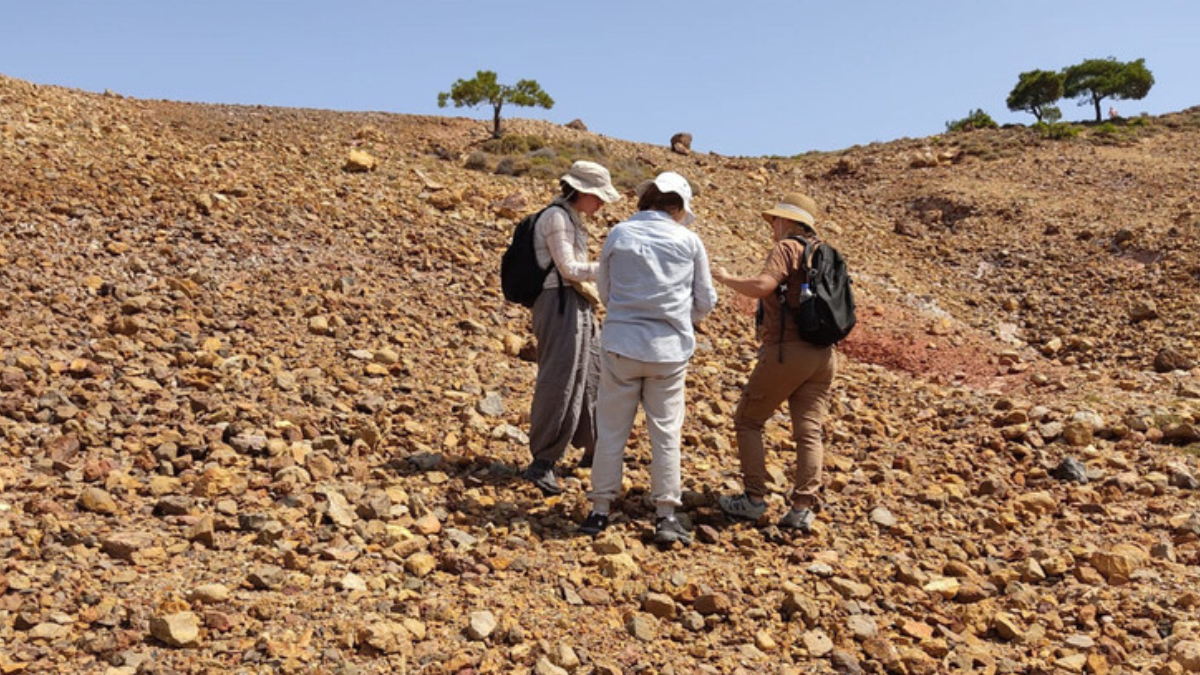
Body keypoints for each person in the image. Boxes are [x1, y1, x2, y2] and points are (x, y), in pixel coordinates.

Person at [579, 172, 718, 544]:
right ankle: (665, 514)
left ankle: (599, 509)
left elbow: (605, 289)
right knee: (666, 433)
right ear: (679, 207)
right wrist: (680, 319)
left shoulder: (620, 233)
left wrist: (627, 313)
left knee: (611, 430)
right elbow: (705, 299)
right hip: (668, 351)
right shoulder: (689, 240)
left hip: (621, 344)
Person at [711, 192, 837, 532]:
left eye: (775, 220)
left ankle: (753, 500)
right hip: (823, 355)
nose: (772, 226)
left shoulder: (788, 248)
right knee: (809, 431)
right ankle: (802, 508)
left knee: (748, 420)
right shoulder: (823, 252)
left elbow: (764, 285)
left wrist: (726, 278)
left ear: (785, 221)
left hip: (787, 351)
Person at [523, 160, 621, 495]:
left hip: (575, 303)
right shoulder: (556, 218)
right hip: (559, 303)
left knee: (590, 373)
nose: (601, 204)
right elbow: (568, 269)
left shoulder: (569, 218)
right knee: (560, 378)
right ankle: (543, 460)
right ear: (581, 191)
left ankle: (593, 448)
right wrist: (610, 266)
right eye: (598, 196)